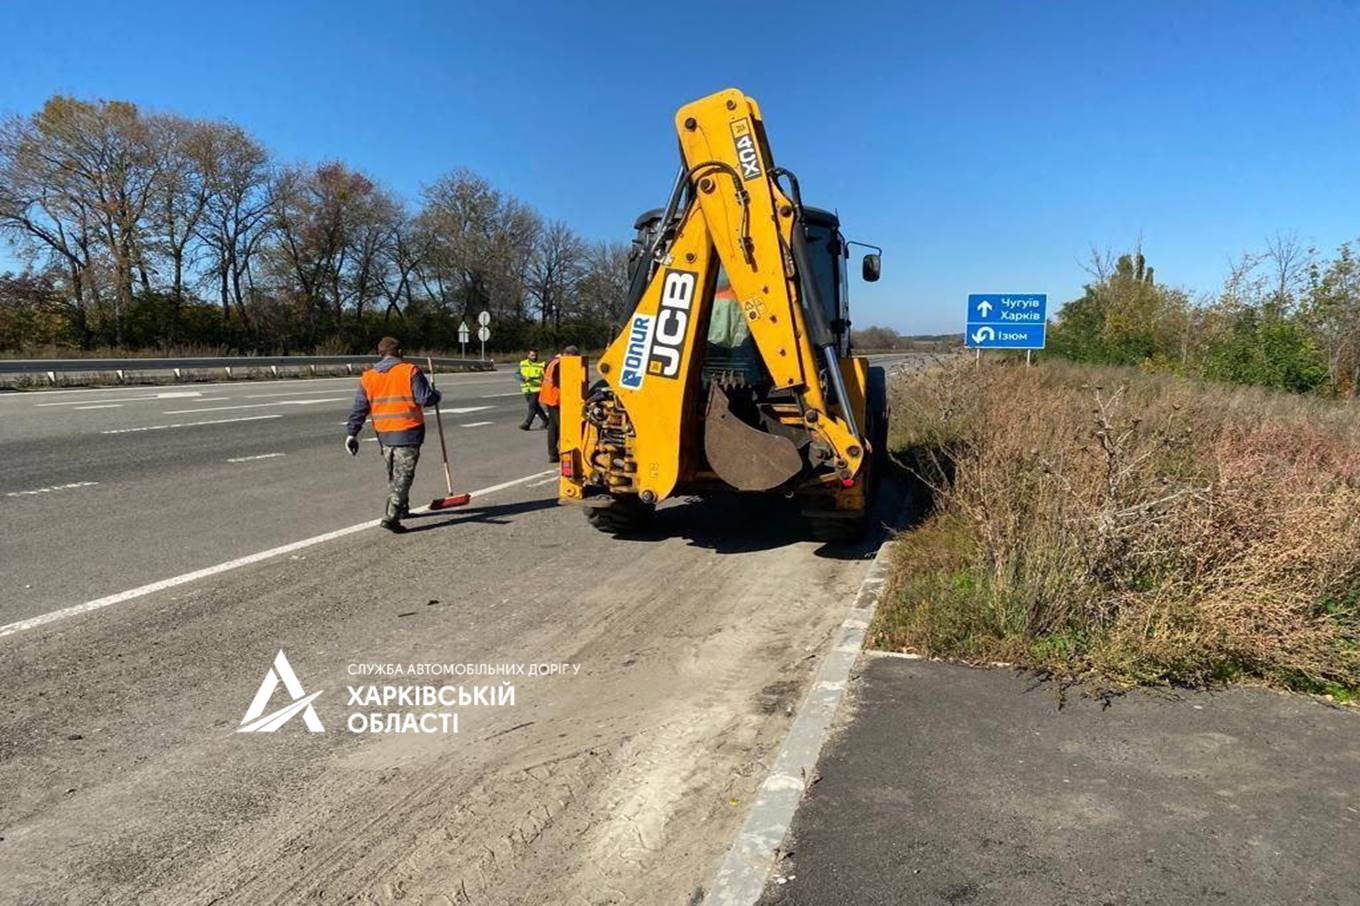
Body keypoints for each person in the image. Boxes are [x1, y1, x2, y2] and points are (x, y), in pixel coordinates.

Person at [343, 336, 442, 533]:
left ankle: (403, 508)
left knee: (394, 474)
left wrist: (351, 433)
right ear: (400, 351)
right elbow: (425, 398)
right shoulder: (410, 371)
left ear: (380, 354)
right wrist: (436, 394)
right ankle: (391, 516)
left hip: (384, 433)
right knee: (404, 476)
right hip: (408, 430)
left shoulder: (368, 376)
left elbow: (360, 408)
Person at [539, 344, 578, 464]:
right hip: (556, 399)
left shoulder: (553, 361)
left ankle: (553, 454)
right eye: (573, 358)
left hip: (548, 397)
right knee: (563, 427)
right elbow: (562, 382)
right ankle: (566, 453)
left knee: (553, 427)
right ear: (568, 355)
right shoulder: (561, 364)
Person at [515, 349, 548, 430]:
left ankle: (527, 423)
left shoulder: (540, 365)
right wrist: (522, 378)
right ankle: (546, 421)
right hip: (526, 389)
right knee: (536, 407)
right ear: (528, 355)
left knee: (532, 407)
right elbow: (516, 374)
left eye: (536, 355)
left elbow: (545, 378)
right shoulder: (523, 363)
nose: (534, 357)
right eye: (532, 355)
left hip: (536, 389)